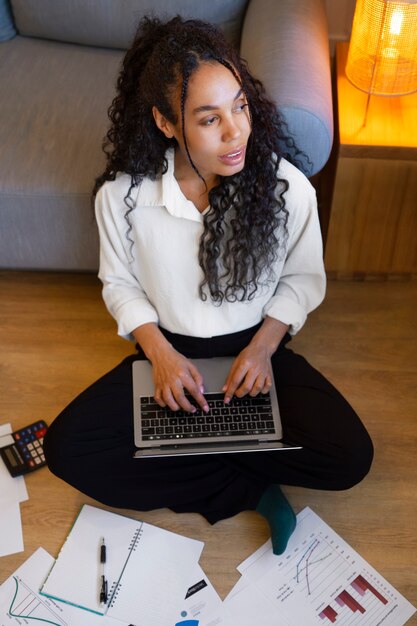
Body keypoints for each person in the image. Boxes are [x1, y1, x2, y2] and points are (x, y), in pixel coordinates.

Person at [44, 16, 373, 555]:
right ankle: (250, 484)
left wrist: (265, 349)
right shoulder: (122, 198)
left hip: (256, 349)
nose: (236, 132)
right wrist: (161, 356)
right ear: (166, 123)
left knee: (350, 457)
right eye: (209, 119)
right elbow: (120, 286)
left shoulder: (285, 186)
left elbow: (302, 280)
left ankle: (202, 453)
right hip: (171, 352)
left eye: (240, 107)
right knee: (66, 451)